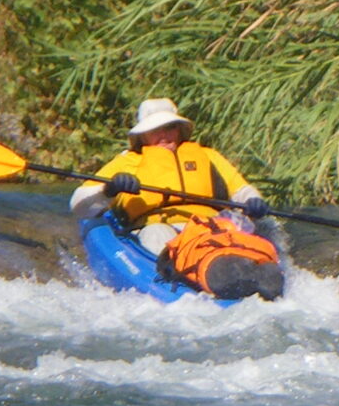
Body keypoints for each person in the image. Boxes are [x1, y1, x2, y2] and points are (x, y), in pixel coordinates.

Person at [69, 99, 284, 300]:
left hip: (208, 228)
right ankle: (208, 276)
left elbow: (242, 189)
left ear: (180, 130)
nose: (163, 135)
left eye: (169, 127)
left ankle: (246, 271)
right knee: (157, 234)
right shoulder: (129, 162)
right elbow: (79, 205)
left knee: (230, 236)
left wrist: (254, 201)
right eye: (155, 130)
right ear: (142, 136)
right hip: (159, 228)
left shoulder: (207, 156)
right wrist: (110, 188)